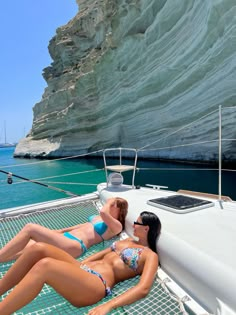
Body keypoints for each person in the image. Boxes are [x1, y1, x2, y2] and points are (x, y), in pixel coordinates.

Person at [0, 211, 161, 315]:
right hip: (83, 271)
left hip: (97, 284)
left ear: (146, 228)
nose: (133, 225)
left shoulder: (150, 256)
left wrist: (109, 305)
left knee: (45, 265)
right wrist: (73, 266)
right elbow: (100, 255)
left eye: (137, 223)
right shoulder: (126, 241)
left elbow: (143, 288)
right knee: (39, 248)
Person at [0, 197, 128, 262]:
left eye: (112, 205)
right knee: (28, 245)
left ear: (119, 210)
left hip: (76, 246)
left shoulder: (116, 226)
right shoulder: (97, 218)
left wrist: (110, 200)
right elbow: (80, 227)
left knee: (30, 228)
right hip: (65, 239)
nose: (109, 205)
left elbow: (103, 212)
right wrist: (58, 232)